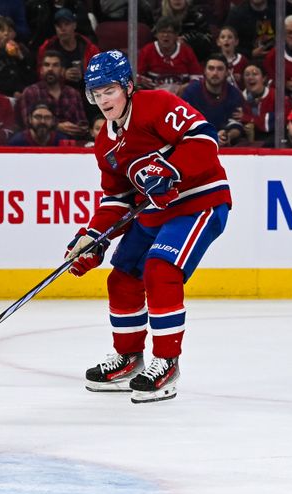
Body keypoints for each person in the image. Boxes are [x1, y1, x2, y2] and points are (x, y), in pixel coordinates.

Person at [64, 50, 231, 403]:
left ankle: (167, 362)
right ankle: (128, 359)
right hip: (155, 212)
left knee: (159, 269)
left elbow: (204, 139)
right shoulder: (105, 142)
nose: (102, 99)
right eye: (95, 92)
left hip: (199, 202)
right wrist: (92, 238)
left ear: (127, 86)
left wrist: (170, 169)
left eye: (109, 90)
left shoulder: (154, 105)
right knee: (122, 276)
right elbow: (117, 199)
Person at [20, 50, 88, 140]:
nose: (50, 69)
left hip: (71, 143)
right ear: (41, 70)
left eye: (55, 65)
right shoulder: (30, 92)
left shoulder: (73, 93)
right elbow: (27, 123)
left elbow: (82, 123)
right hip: (41, 143)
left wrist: (79, 128)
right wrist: (57, 126)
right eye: (47, 65)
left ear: (62, 70)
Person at [181, 54, 246, 147]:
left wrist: (227, 136)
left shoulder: (234, 94)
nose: (215, 73)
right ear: (204, 71)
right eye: (211, 68)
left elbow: (236, 124)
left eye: (220, 69)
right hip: (195, 141)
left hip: (223, 145)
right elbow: (183, 124)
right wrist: (209, 136)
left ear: (227, 72)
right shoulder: (191, 92)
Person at [224, 0, 292, 63]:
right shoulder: (237, 13)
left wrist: (287, 44)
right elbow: (226, 44)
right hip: (249, 63)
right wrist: (250, 53)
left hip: (279, 61)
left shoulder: (279, 6)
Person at [137, 16, 202, 95]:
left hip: (181, 98)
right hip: (154, 97)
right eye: (162, 32)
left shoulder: (186, 51)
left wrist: (186, 87)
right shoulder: (147, 51)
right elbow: (135, 76)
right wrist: (141, 80)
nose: (165, 35)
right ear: (156, 34)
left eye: (169, 32)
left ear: (176, 35)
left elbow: (198, 78)